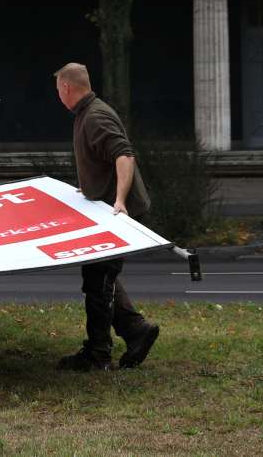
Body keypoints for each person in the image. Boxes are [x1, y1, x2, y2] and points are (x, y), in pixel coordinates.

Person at [54, 62, 160, 371]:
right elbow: (101, 160)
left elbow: (124, 155)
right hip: (104, 210)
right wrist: (87, 188)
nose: (58, 96)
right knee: (102, 276)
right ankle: (136, 330)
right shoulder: (88, 113)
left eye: (58, 90)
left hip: (116, 214)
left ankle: (97, 353)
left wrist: (120, 201)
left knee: (98, 281)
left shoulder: (95, 116)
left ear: (66, 88)